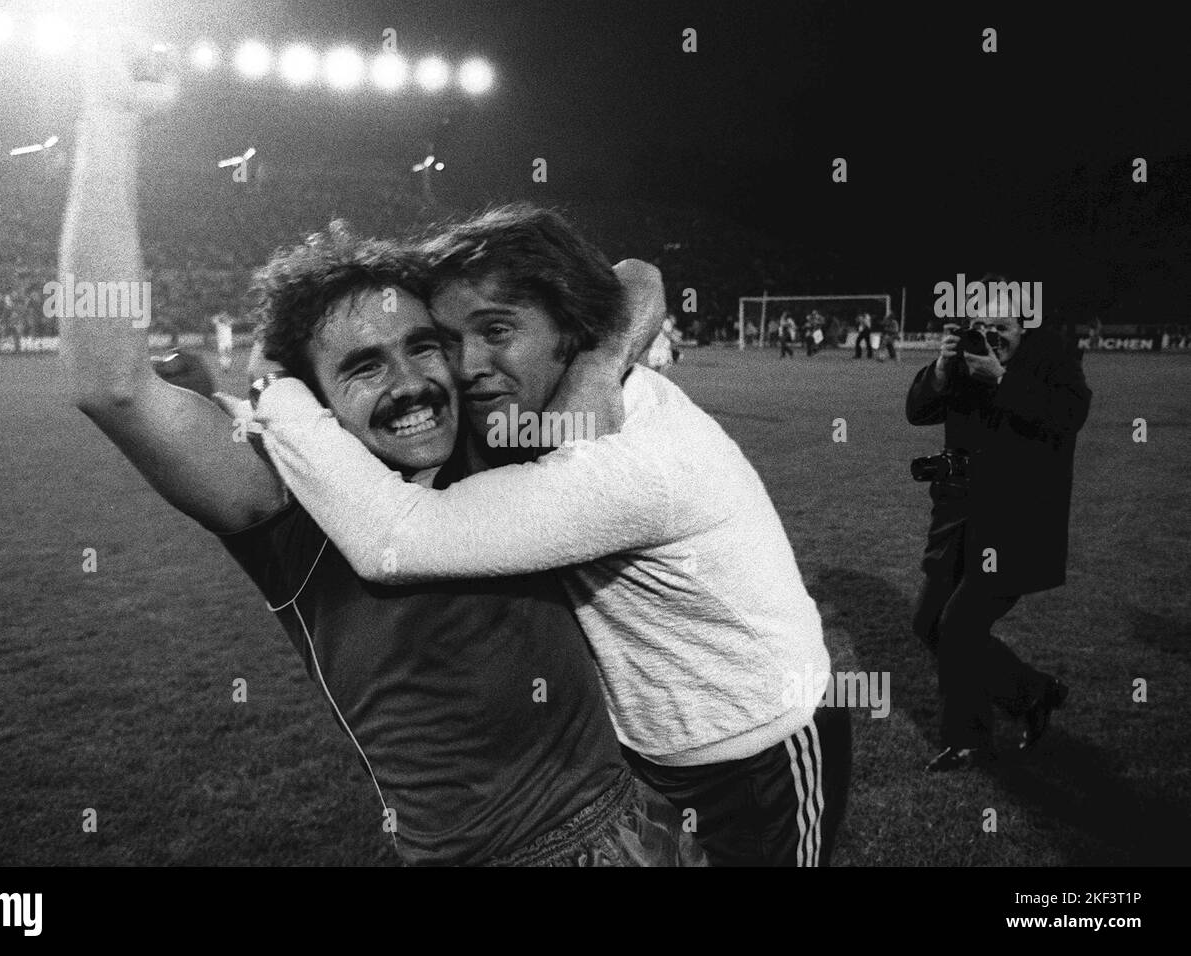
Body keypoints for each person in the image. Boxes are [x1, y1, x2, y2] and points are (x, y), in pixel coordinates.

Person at [57, 22, 675, 867]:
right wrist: (109, 114)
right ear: (310, 401)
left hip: (632, 821)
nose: (412, 384)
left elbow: (637, 277)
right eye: (364, 367)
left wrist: (601, 366)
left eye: (422, 347)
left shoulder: (500, 430)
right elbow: (111, 383)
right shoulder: (283, 500)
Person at [252, 204, 852, 866]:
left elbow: (395, 540)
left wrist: (279, 392)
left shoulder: (628, 463)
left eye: (498, 330)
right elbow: (635, 273)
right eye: (450, 340)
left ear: (573, 327)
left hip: (760, 748)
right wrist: (603, 358)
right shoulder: (550, 405)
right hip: (656, 755)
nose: (469, 366)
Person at [905, 289, 1091, 771]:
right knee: (928, 622)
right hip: (959, 520)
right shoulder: (965, 365)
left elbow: (1069, 417)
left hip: (1016, 526)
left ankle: (968, 740)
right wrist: (942, 371)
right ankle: (1034, 693)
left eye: (1001, 328)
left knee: (959, 626)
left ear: (1023, 329)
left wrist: (1003, 380)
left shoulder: (1053, 363)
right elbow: (917, 410)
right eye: (981, 328)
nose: (990, 337)